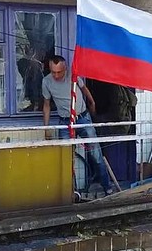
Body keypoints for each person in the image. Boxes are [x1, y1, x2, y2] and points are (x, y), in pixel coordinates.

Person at [41, 55, 112, 193]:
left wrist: (92, 105)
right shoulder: (46, 81)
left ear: (65, 68)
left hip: (82, 118)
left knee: (95, 154)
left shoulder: (73, 76)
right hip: (65, 122)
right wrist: (46, 128)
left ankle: (107, 187)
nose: (56, 75)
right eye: (53, 72)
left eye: (59, 72)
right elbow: (46, 105)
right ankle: (72, 192)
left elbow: (85, 91)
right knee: (66, 158)